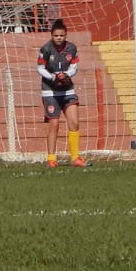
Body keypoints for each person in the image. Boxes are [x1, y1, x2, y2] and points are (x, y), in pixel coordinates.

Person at [38, 18, 84, 168]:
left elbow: (74, 66)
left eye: (62, 35)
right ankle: (51, 159)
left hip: (67, 89)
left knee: (74, 122)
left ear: (66, 35)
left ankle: (75, 158)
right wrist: (52, 76)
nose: (59, 38)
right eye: (56, 35)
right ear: (52, 35)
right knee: (54, 124)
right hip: (50, 91)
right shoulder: (45, 49)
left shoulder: (71, 48)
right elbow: (39, 68)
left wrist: (67, 74)